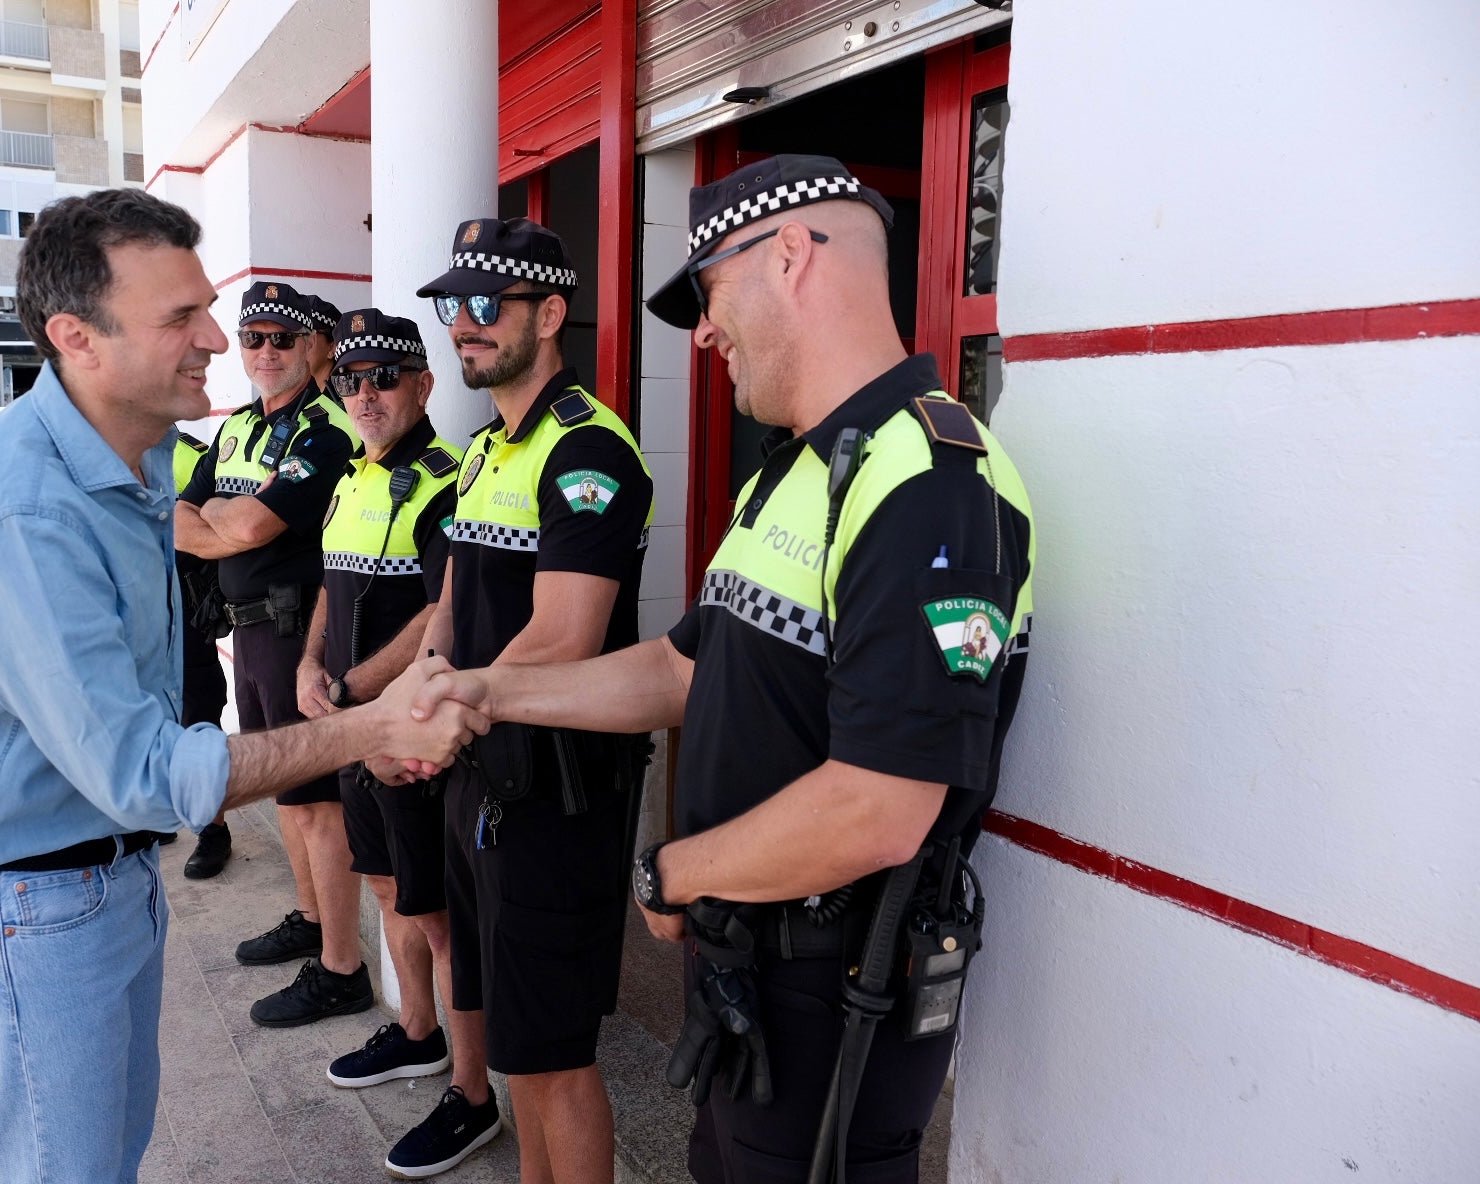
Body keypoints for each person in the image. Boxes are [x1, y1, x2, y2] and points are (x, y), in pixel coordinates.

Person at [404, 155, 1037, 1183]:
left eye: (708, 290)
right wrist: (489, 689)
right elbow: (677, 666)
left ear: (789, 253)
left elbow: (881, 805)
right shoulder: (791, 468)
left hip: (839, 987)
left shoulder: (926, 479)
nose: (703, 331)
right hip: (749, 965)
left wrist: (673, 869)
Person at [0, 188, 486, 1183]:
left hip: (98, 878)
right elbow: (143, 771)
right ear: (75, 337)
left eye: (214, 309)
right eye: (183, 318)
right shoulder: (24, 509)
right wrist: (369, 724)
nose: (220, 337)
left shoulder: (147, 445)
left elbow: (233, 539)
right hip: (19, 902)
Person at [403, 218, 655, 1184]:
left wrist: (438, 718)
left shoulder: (590, 450)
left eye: (484, 306)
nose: (461, 326)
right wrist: (422, 697)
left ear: (551, 314)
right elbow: (454, 603)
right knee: (513, 1041)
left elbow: (563, 637)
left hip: (556, 790)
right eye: (450, 307)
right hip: (479, 772)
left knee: (553, 1058)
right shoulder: (480, 450)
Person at [294, 308, 499, 1177]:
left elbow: (433, 617)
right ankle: (417, 1032)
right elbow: (328, 587)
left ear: (423, 384)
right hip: (349, 726)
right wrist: (309, 660)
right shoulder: (350, 475)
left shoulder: (446, 480)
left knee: (442, 917)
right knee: (385, 887)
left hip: (403, 730)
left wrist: (352, 694)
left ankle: (472, 1093)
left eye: (383, 377)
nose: (365, 394)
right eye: (350, 378)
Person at [175, 280, 373, 1026]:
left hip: (298, 634)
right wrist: (223, 517)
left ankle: (342, 966)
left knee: (319, 805)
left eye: (281, 339)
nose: (264, 352)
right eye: (252, 337)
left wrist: (223, 518)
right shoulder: (234, 428)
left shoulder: (324, 428)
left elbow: (256, 528)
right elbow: (178, 515)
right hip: (247, 630)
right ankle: (312, 920)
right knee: (287, 800)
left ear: (307, 346)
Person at [171, 428, 234, 878]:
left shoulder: (190, 455)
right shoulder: (94, 449)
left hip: (186, 611)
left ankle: (213, 829)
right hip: (125, 612)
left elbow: (218, 525)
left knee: (199, 717)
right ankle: (152, 811)